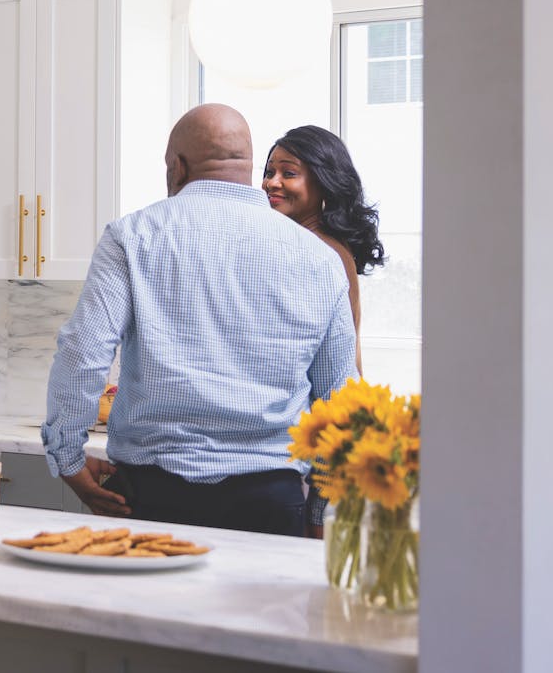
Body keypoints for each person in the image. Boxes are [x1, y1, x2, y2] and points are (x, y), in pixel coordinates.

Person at [42, 104, 356, 536]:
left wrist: (68, 459)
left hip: (150, 495)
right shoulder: (320, 259)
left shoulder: (132, 236)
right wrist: (319, 508)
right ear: (248, 167)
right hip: (272, 497)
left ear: (178, 166)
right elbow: (338, 395)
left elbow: (83, 352)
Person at [261, 125, 385, 374]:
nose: (271, 183)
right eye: (269, 171)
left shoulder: (319, 252)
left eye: (288, 173)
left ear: (323, 182)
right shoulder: (321, 244)